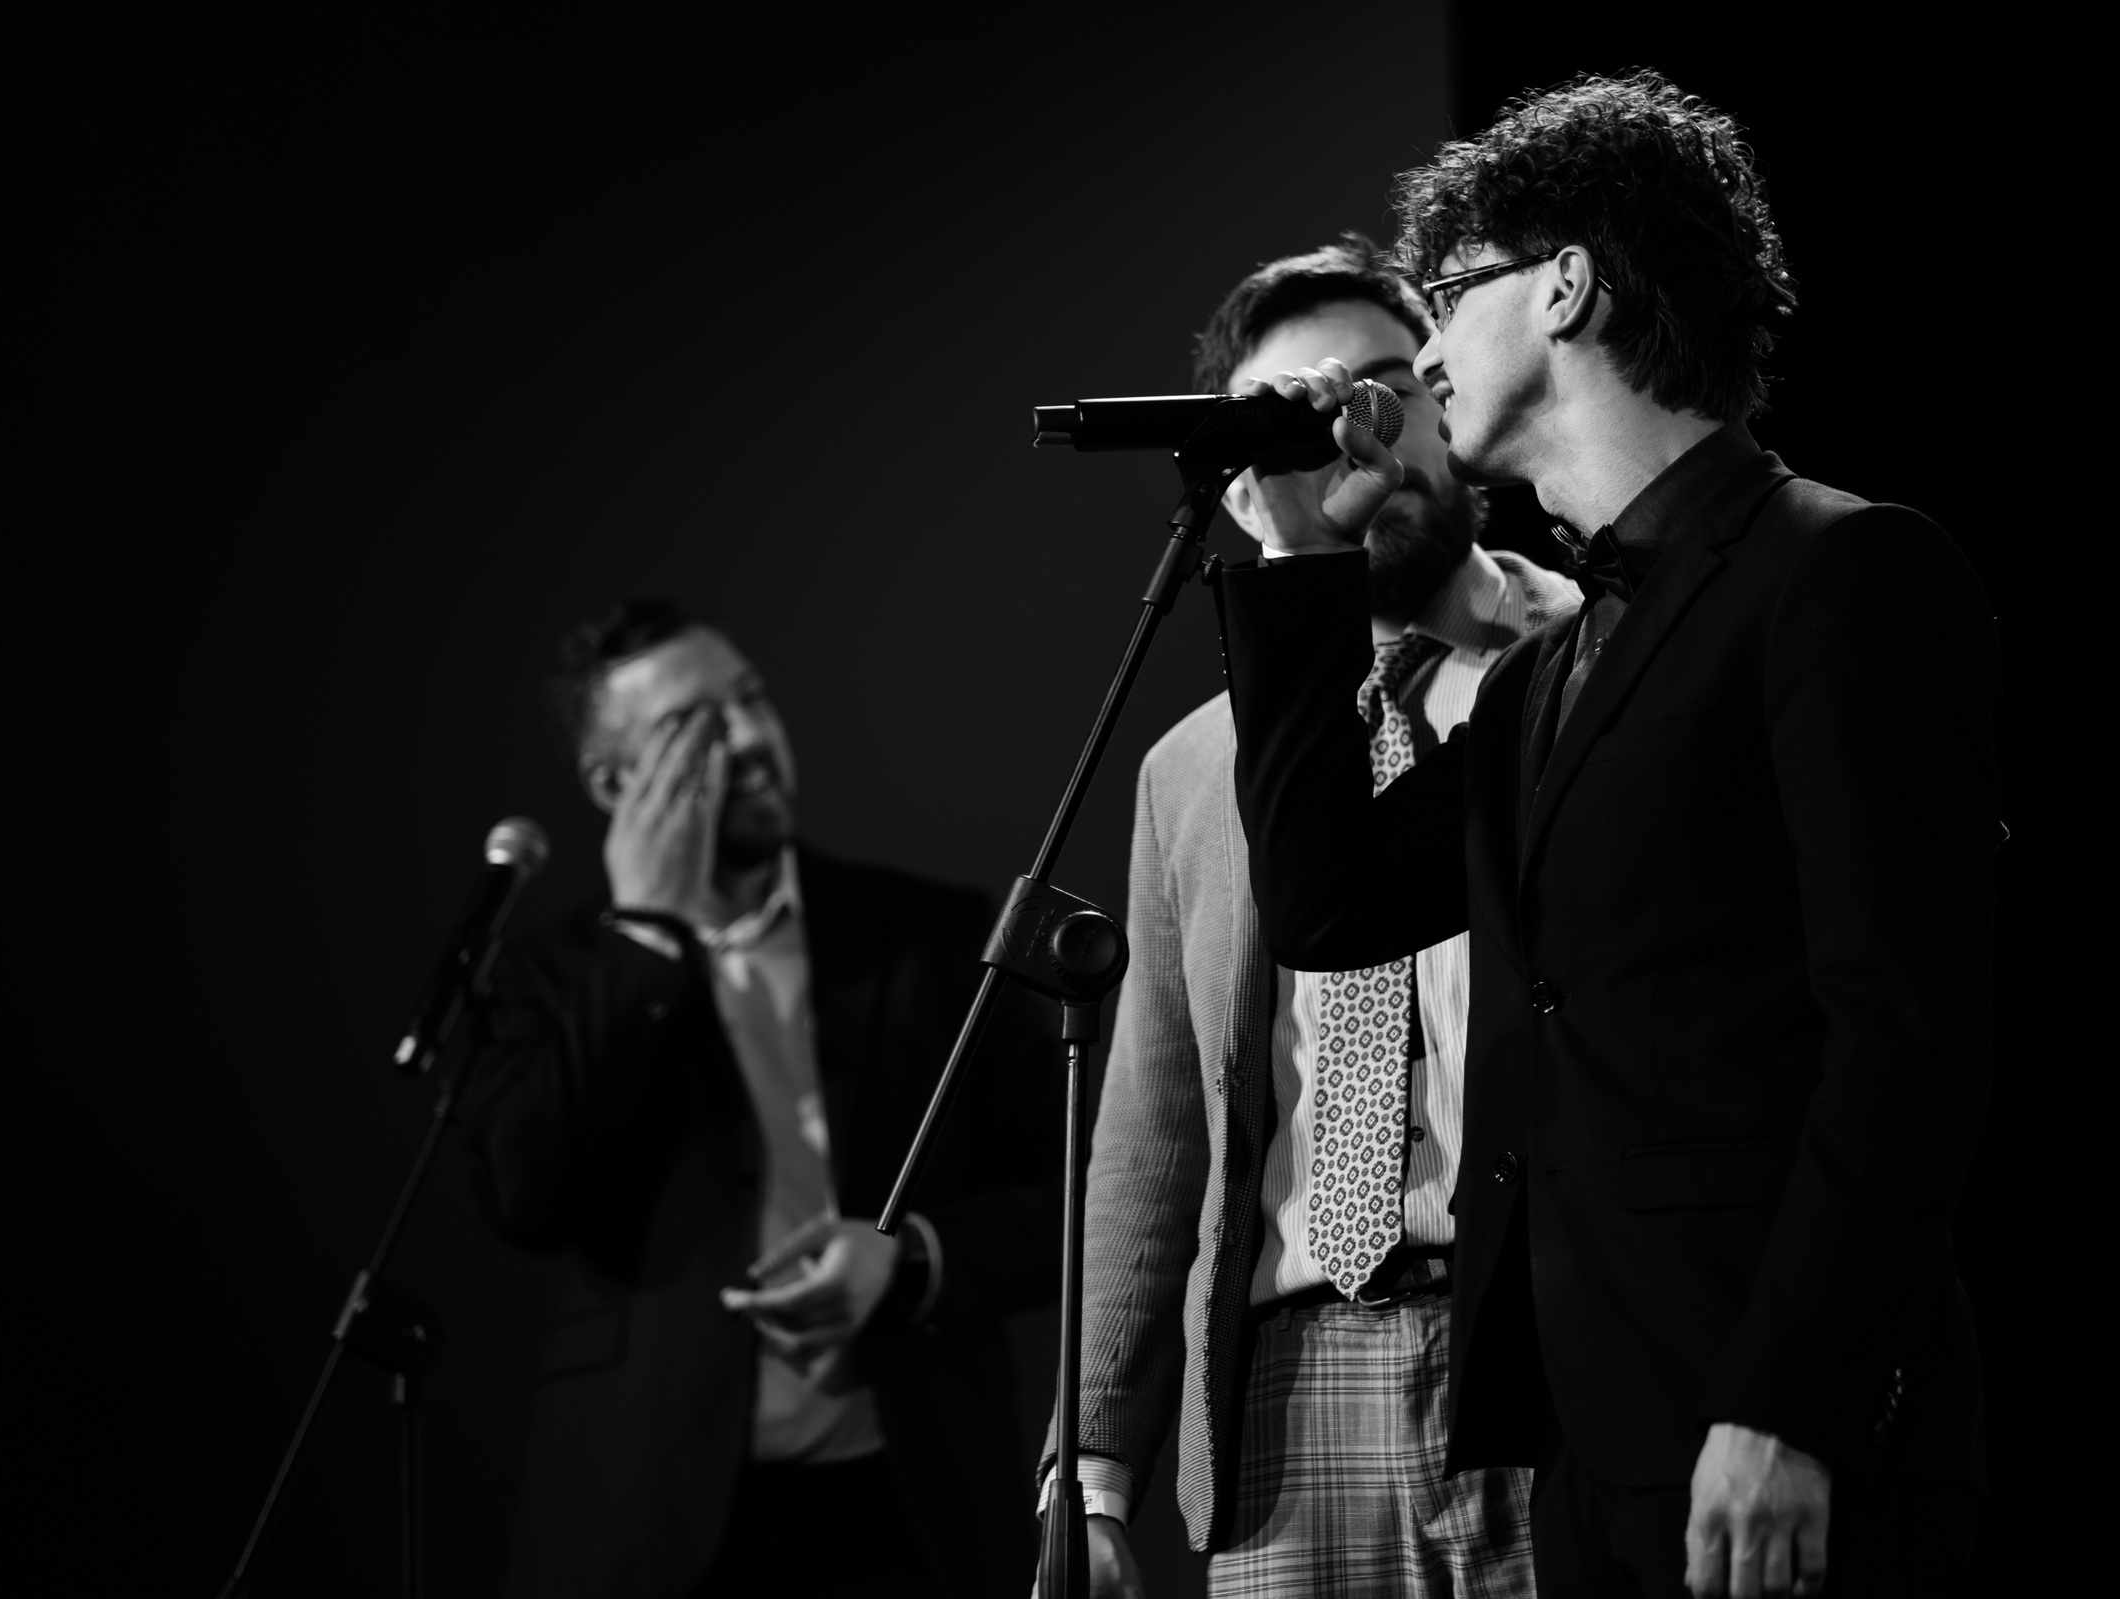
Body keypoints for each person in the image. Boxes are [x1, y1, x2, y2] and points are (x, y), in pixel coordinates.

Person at [1215, 73, 1998, 1599]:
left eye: (1449, 293)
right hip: (1590, 1444)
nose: (1423, 352)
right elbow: (1328, 900)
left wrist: (1790, 1399)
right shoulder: (1549, 671)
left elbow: (1905, 1039)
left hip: (1781, 1432)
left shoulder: (1837, 570)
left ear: (1566, 285)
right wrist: (1298, 555)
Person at [1043, 234, 1571, 1598]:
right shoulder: (1193, 768)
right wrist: (1090, 1464)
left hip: (1546, 1339)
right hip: (1290, 1384)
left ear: (1449, 402)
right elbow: (1155, 1122)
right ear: (1239, 483)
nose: (1353, 439)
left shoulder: (1585, 659)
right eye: (1296, 416)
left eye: (1386, 388)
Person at [469, 598, 1063, 1597]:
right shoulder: (547, 976)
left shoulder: (929, 936)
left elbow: (1078, 1199)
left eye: (749, 698)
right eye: (692, 726)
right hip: (650, 1518)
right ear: (613, 783)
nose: (746, 736)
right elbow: (528, 1197)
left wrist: (910, 1258)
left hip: (910, 1506)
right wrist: (644, 936)